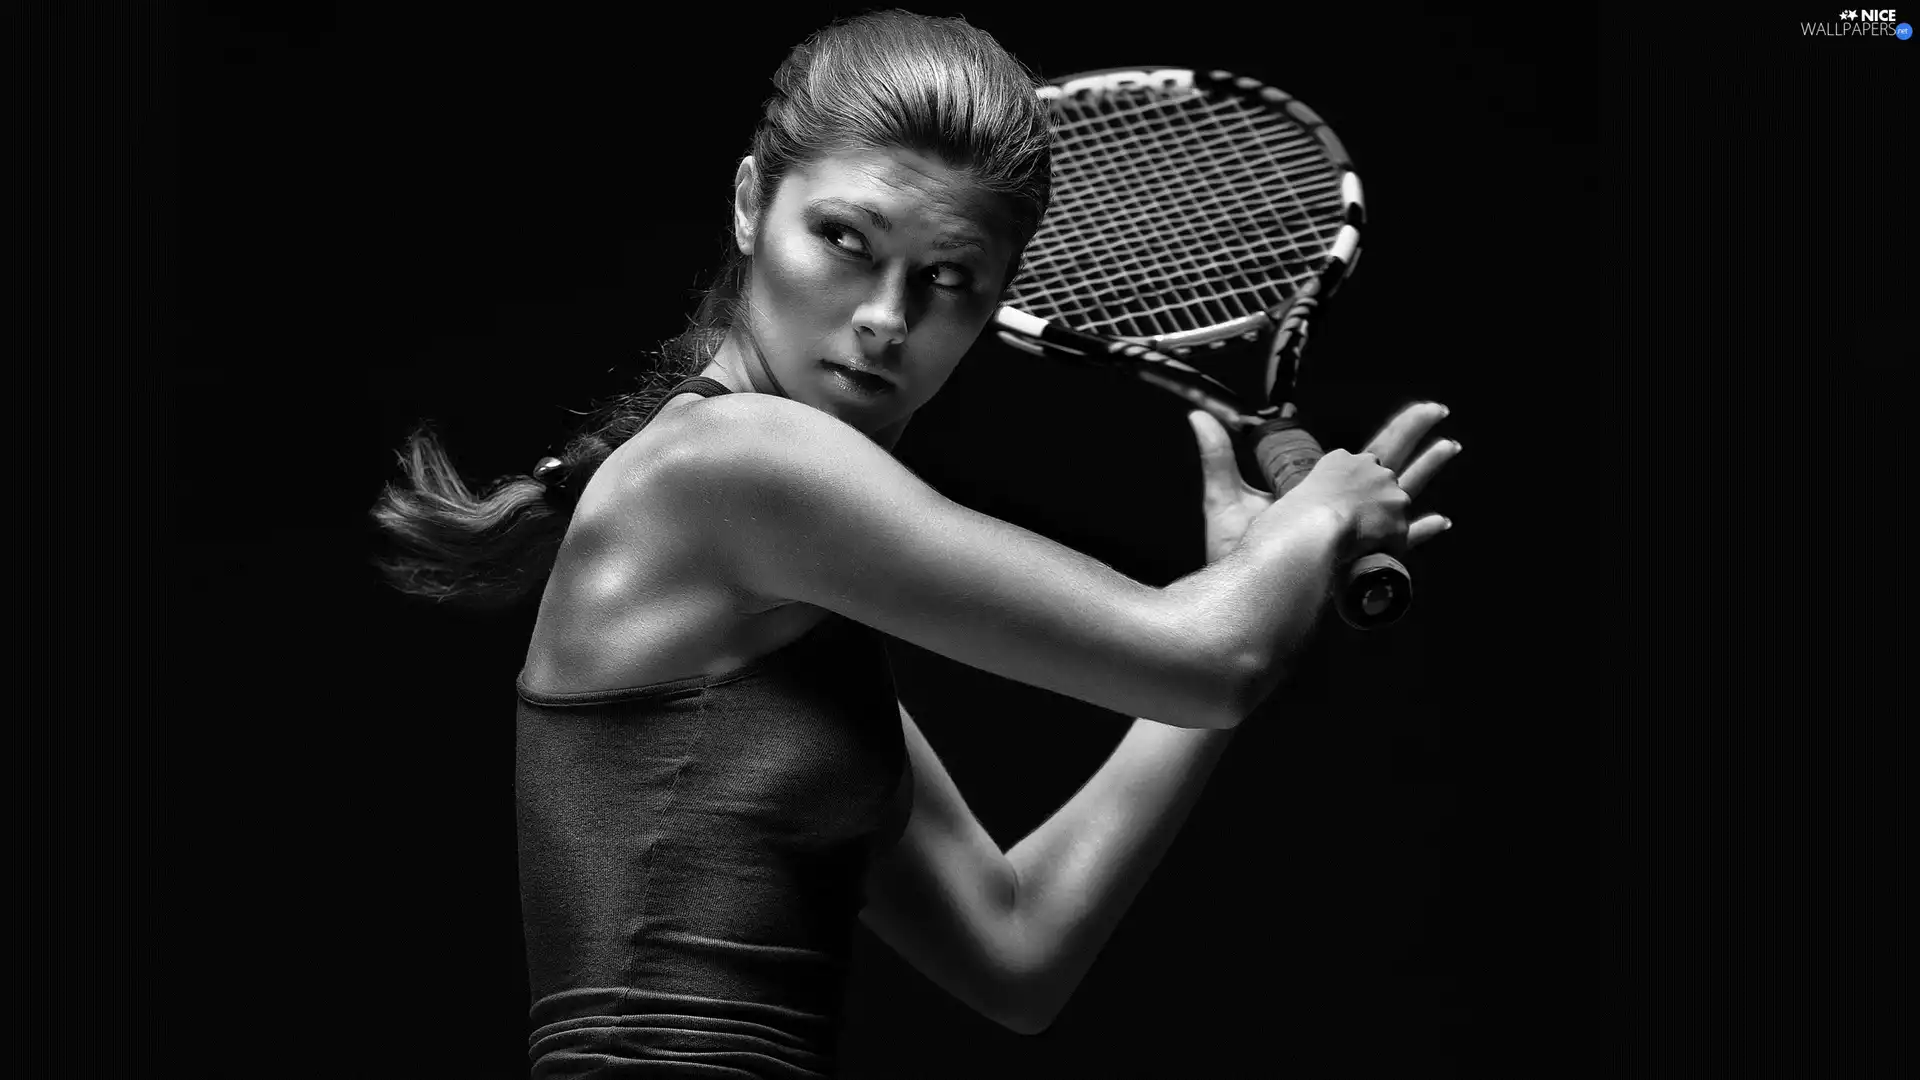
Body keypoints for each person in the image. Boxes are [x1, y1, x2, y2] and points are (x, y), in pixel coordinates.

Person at [371, 10, 1459, 1078]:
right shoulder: (740, 462)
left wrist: (1247, 586)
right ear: (753, 203)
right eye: (844, 238)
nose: (887, 317)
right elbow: (1207, 661)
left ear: (993, 303)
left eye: (947, 278)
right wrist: (1311, 527)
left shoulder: (784, 608)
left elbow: (1016, 946)